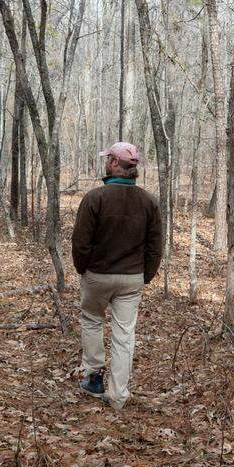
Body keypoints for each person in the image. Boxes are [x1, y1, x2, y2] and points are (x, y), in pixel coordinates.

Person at [71, 141, 163, 410]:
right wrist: (145, 275)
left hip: (98, 275)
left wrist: (83, 268)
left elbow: (80, 242)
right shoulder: (149, 202)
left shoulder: (94, 198)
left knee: (92, 321)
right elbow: (155, 246)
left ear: (113, 163)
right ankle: (118, 395)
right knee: (124, 335)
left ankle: (94, 378)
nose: (105, 162)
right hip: (131, 278)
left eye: (107, 159)